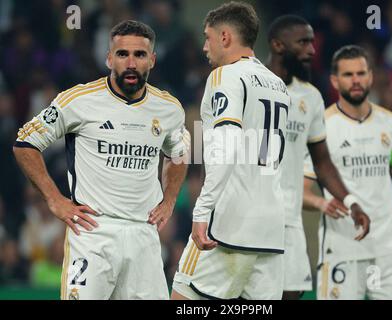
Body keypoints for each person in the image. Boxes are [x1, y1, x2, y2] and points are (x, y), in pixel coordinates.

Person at [13, 20, 189, 300]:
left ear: (152, 60)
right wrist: (55, 200)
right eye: (122, 54)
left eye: (140, 55)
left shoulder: (168, 108)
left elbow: (179, 153)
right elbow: (25, 144)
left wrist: (169, 200)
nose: (131, 63)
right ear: (109, 58)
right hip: (93, 232)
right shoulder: (78, 100)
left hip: (144, 234)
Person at [171, 1, 291, 300]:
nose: (204, 47)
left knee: (183, 298)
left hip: (228, 223)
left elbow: (226, 144)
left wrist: (202, 209)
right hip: (271, 226)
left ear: (225, 37)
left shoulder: (225, 77)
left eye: (207, 37)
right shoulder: (279, 86)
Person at [303, 45, 392, 300]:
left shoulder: (390, 124)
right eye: (348, 74)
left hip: (387, 252)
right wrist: (321, 203)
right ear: (334, 80)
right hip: (342, 252)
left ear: (371, 76)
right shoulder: (321, 128)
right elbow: (301, 190)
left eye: (361, 73)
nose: (356, 80)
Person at [266, 15, 371, 300]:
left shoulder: (310, 97)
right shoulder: (252, 84)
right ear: (277, 45)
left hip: (290, 216)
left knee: (293, 291)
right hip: (253, 213)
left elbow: (322, 162)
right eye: (303, 42)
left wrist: (350, 202)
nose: (312, 50)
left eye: (312, 42)